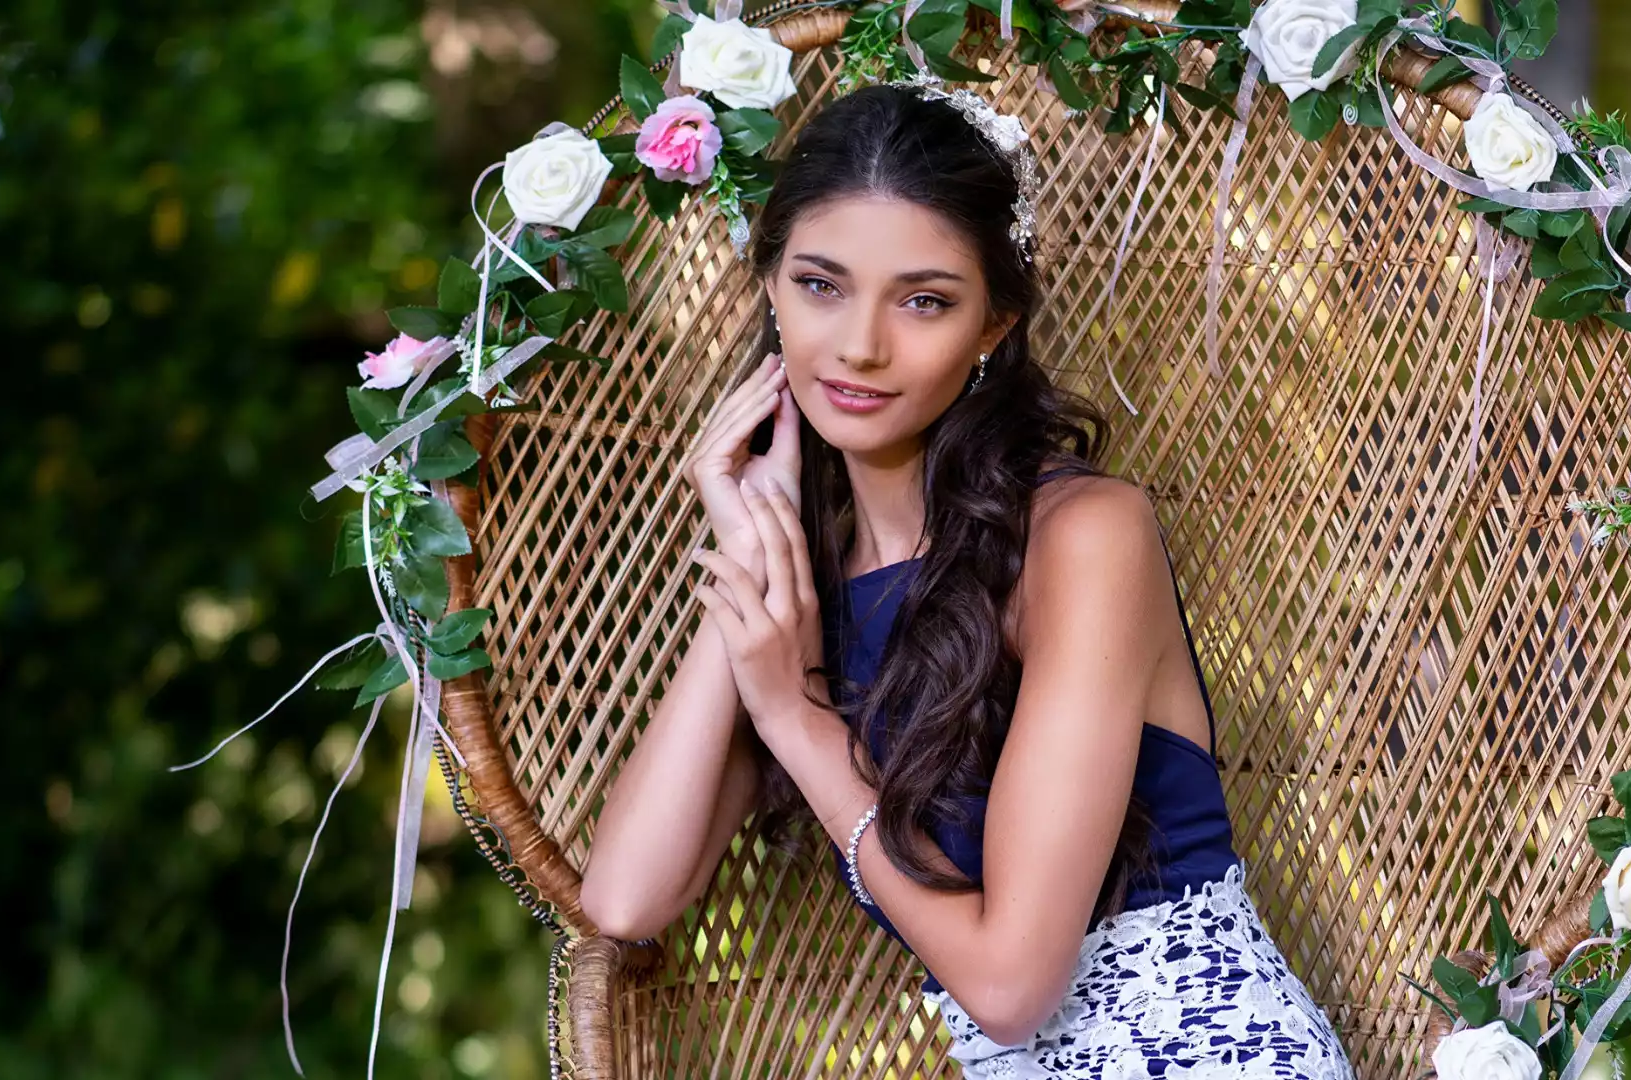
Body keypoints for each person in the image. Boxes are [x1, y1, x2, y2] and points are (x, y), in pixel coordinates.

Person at [579, 78, 1354, 1079]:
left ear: (994, 325)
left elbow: (1008, 987)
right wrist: (754, 542)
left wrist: (794, 718)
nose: (860, 343)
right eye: (819, 284)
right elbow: (625, 898)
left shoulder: (1087, 536)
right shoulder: (809, 583)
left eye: (924, 301)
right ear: (767, 287)